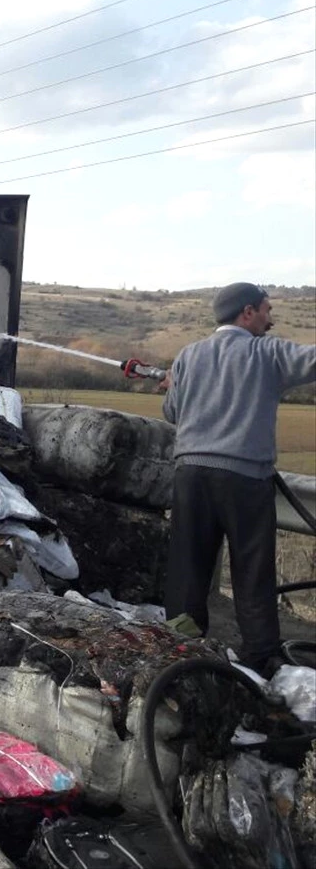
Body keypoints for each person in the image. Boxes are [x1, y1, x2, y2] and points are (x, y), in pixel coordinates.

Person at [161, 282, 316, 675]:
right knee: (251, 571)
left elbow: (173, 413)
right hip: (245, 479)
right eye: (266, 310)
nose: (271, 318)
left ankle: (181, 654)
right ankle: (261, 662)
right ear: (247, 313)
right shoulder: (268, 352)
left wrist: (176, 384)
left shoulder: (188, 355)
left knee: (188, 568)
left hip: (190, 475)